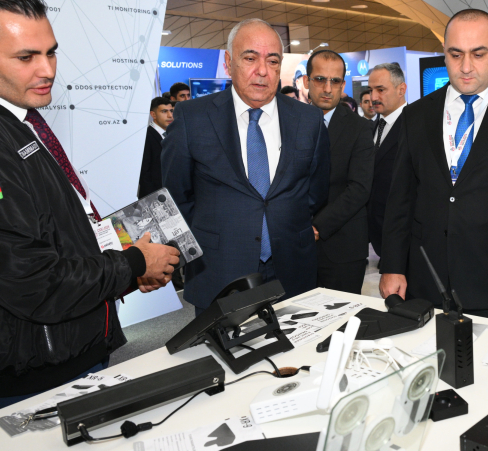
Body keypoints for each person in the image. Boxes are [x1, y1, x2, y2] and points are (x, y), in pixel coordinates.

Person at [0, 0, 179, 409]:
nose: (47, 69)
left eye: (50, 52)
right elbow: (30, 281)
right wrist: (134, 262)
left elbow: (57, 231)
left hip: (70, 343)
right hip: (37, 366)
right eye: (26, 57)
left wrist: (125, 270)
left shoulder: (14, 118)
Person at [380, 9, 488, 324]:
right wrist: (392, 265)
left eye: (478, 54)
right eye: (455, 54)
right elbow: (399, 198)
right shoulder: (415, 115)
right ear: (444, 53)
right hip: (425, 281)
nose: (465, 67)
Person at [162, 19, 330, 312]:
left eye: (272, 61)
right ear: (228, 63)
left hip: (292, 269)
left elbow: (315, 192)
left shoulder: (309, 120)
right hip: (219, 271)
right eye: (250, 58)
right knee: (225, 344)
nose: (262, 71)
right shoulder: (192, 118)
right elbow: (176, 196)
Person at [305, 50, 374, 293]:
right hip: (296, 246)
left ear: (343, 85)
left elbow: (359, 188)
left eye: (335, 81)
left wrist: (317, 227)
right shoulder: (289, 123)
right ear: (306, 81)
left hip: (343, 247)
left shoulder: (360, 128)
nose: (327, 88)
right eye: (320, 79)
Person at [366, 63, 407, 258]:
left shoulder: (416, 126)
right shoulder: (372, 127)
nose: (373, 97)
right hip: (378, 235)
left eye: (380, 90)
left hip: (404, 236)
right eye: (370, 90)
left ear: (401, 90)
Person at [138, 96, 173, 199]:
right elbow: (144, 173)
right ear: (153, 114)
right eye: (164, 111)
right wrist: (155, 198)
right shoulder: (145, 136)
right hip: (155, 197)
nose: (170, 115)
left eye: (171, 111)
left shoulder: (173, 134)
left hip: (173, 194)